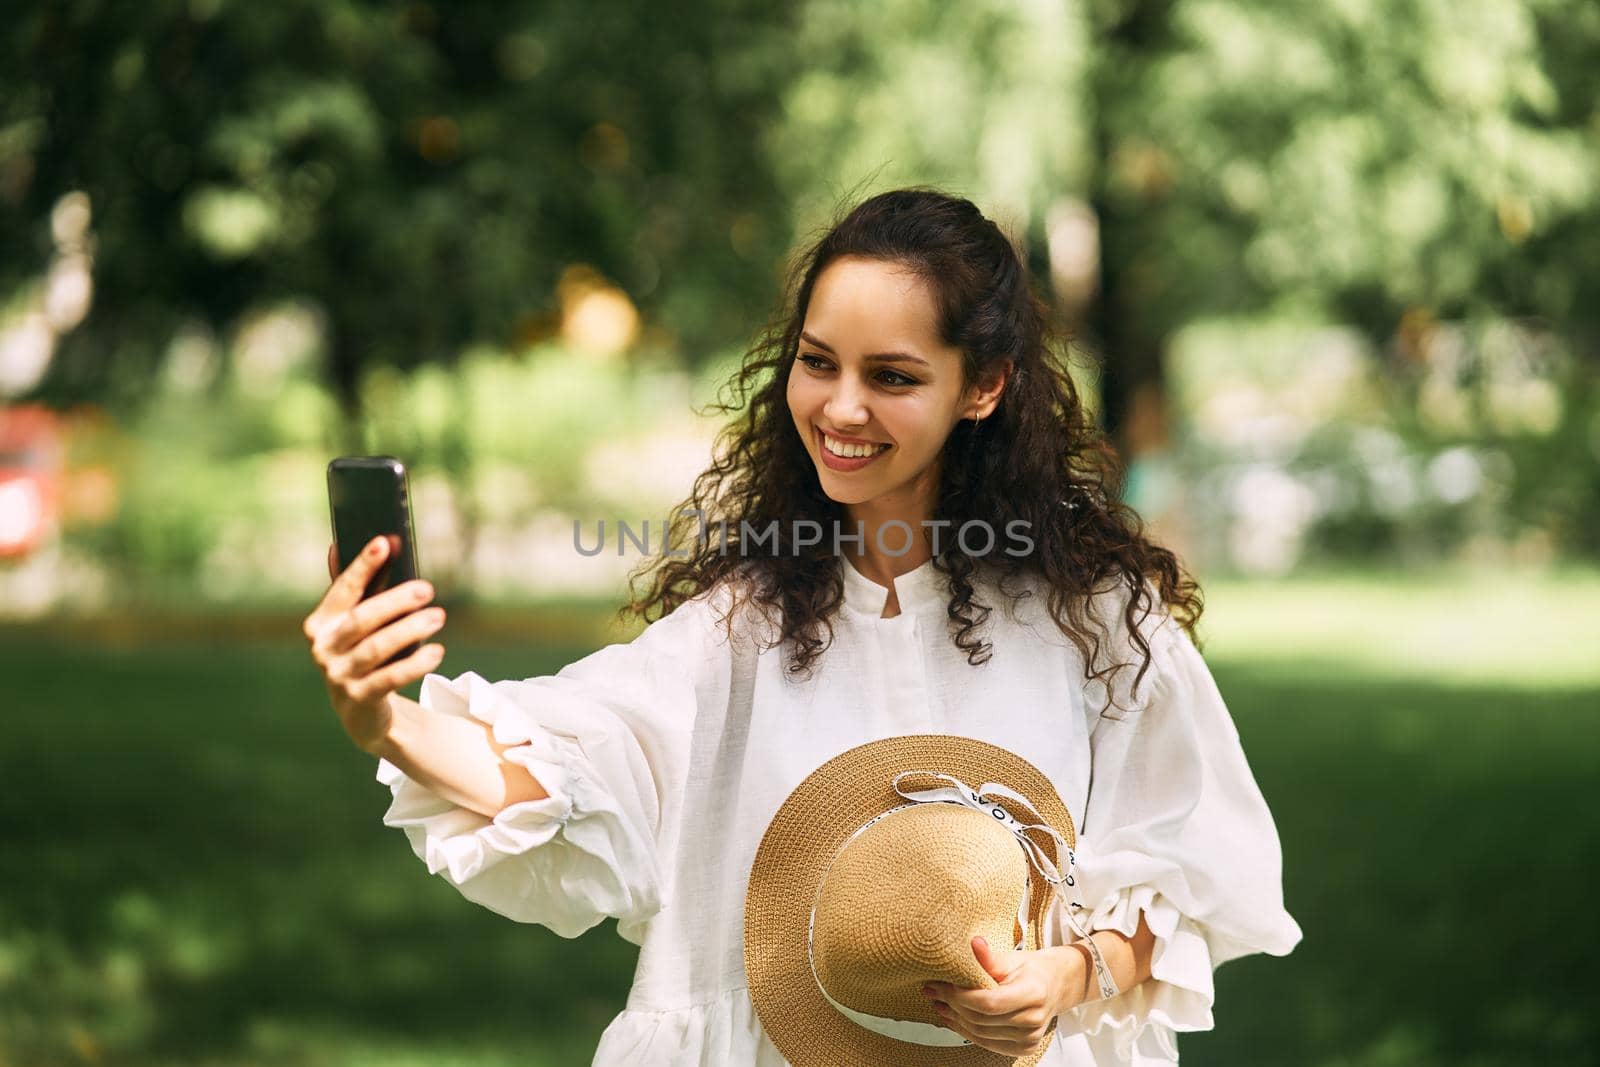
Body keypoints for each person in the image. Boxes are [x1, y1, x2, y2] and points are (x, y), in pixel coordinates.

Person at [302, 187, 1302, 1065]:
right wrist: (383, 718)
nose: (841, 407)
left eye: (894, 376)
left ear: (984, 385)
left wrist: (1069, 975)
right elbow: (579, 766)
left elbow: (1193, 859)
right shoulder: (739, 628)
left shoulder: (1096, 624)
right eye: (818, 362)